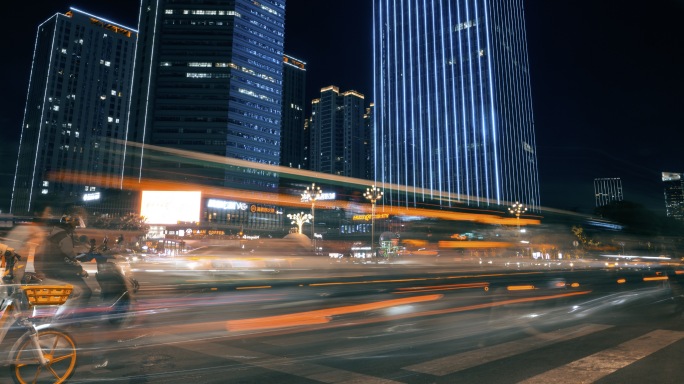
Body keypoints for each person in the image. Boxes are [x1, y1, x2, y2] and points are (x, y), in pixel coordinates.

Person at [34, 214, 92, 307]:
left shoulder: (52, 235)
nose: (75, 229)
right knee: (86, 292)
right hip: (61, 272)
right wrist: (80, 270)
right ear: (70, 226)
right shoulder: (64, 237)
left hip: (49, 271)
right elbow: (68, 258)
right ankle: (76, 317)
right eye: (74, 226)